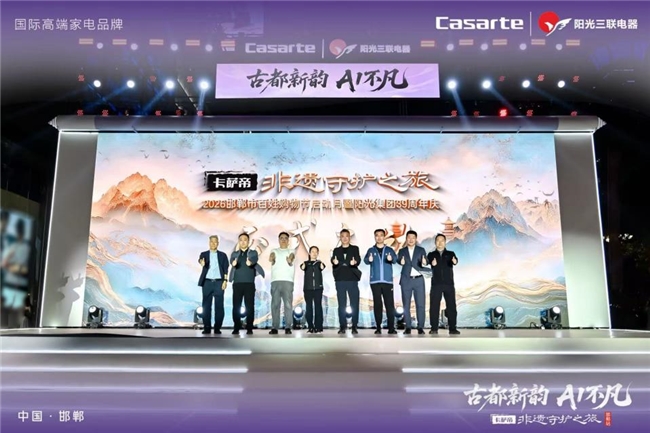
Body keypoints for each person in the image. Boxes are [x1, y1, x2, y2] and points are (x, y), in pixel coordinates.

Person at [363, 229, 398, 334]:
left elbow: (395, 260)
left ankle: (391, 328)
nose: (379, 237)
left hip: (387, 282)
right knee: (377, 305)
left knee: (389, 305)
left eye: (381, 235)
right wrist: (369, 260)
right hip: (375, 282)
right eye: (377, 235)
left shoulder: (389, 250)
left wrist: (391, 259)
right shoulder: (371, 250)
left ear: (384, 237)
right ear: (374, 237)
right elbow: (365, 261)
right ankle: (378, 327)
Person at [427, 234, 460, 335]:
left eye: (442, 240)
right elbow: (426, 262)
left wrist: (455, 261)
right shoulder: (431, 254)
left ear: (445, 242)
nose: (440, 242)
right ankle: (434, 328)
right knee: (434, 306)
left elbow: (455, 260)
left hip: (449, 284)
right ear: (435, 242)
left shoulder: (450, 253)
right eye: (438, 240)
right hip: (436, 284)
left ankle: (453, 328)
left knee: (451, 306)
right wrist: (431, 263)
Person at [331, 229, 361, 334]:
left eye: (346, 236)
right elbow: (333, 260)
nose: (344, 238)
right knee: (341, 304)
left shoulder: (355, 248)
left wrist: (355, 262)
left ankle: (354, 326)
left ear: (349, 237)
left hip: (352, 279)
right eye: (342, 236)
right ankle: (342, 326)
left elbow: (358, 260)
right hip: (340, 280)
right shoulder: (336, 250)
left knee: (354, 304)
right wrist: (334, 262)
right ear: (340, 237)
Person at [397, 230, 428, 335]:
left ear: (416, 239)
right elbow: (398, 260)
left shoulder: (421, 250)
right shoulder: (402, 250)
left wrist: (424, 262)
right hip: (406, 280)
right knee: (406, 305)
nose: (411, 240)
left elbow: (425, 261)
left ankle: (420, 327)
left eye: (413, 238)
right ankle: (408, 327)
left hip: (419, 280)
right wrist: (400, 262)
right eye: (409, 238)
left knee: (421, 305)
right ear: (406, 239)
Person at [197, 235, 229, 335]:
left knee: (219, 306)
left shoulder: (223, 255)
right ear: (209, 242)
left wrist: (225, 281)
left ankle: (217, 327)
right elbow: (200, 260)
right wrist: (201, 262)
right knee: (206, 306)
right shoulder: (204, 254)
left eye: (215, 242)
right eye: (211, 242)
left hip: (219, 282)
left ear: (218, 243)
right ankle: (207, 327)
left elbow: (225, 269)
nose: (213, 244)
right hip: (207, 282)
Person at [228, 233, 259, 335]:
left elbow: (254, 259)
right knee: (236, 306)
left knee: (249, 306)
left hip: (249, 284)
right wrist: (233, 263)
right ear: (238, 242)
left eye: (245, 240)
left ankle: (249, 327)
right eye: (240, 240)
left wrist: (250, 263)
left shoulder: (253, 253)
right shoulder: (235, 254)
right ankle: (236, 327)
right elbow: (232, 260)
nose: (243, 242)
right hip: (237, 284)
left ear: (248, 241)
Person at [269, 232, 297, 335]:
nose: (283, 240)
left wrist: (290, 260)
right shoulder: (274, 251)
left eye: (286, 238)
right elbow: (271, 257)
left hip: (288, 281)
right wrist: (272, 258)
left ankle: (288, 327)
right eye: (281, 238)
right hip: (275, 281)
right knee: (275, 305)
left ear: (288, 240)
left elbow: (292, 257)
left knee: (288, 305)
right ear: (279, 240)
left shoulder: (291, 251)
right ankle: (274, 327)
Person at [300, 246, 325, 333]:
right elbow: (302, 267)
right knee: (309, 307)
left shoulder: (319, 263)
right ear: (309, 253)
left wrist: (321, 264)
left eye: (316, 252)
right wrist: (303, 265)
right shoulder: (306, 263)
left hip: (318, 288)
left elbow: (322, 267)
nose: (314, 253)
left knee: (318, 307)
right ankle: (310, 326)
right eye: (312, 251)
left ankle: (318, 326)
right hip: (308, 289)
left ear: (318, 253)